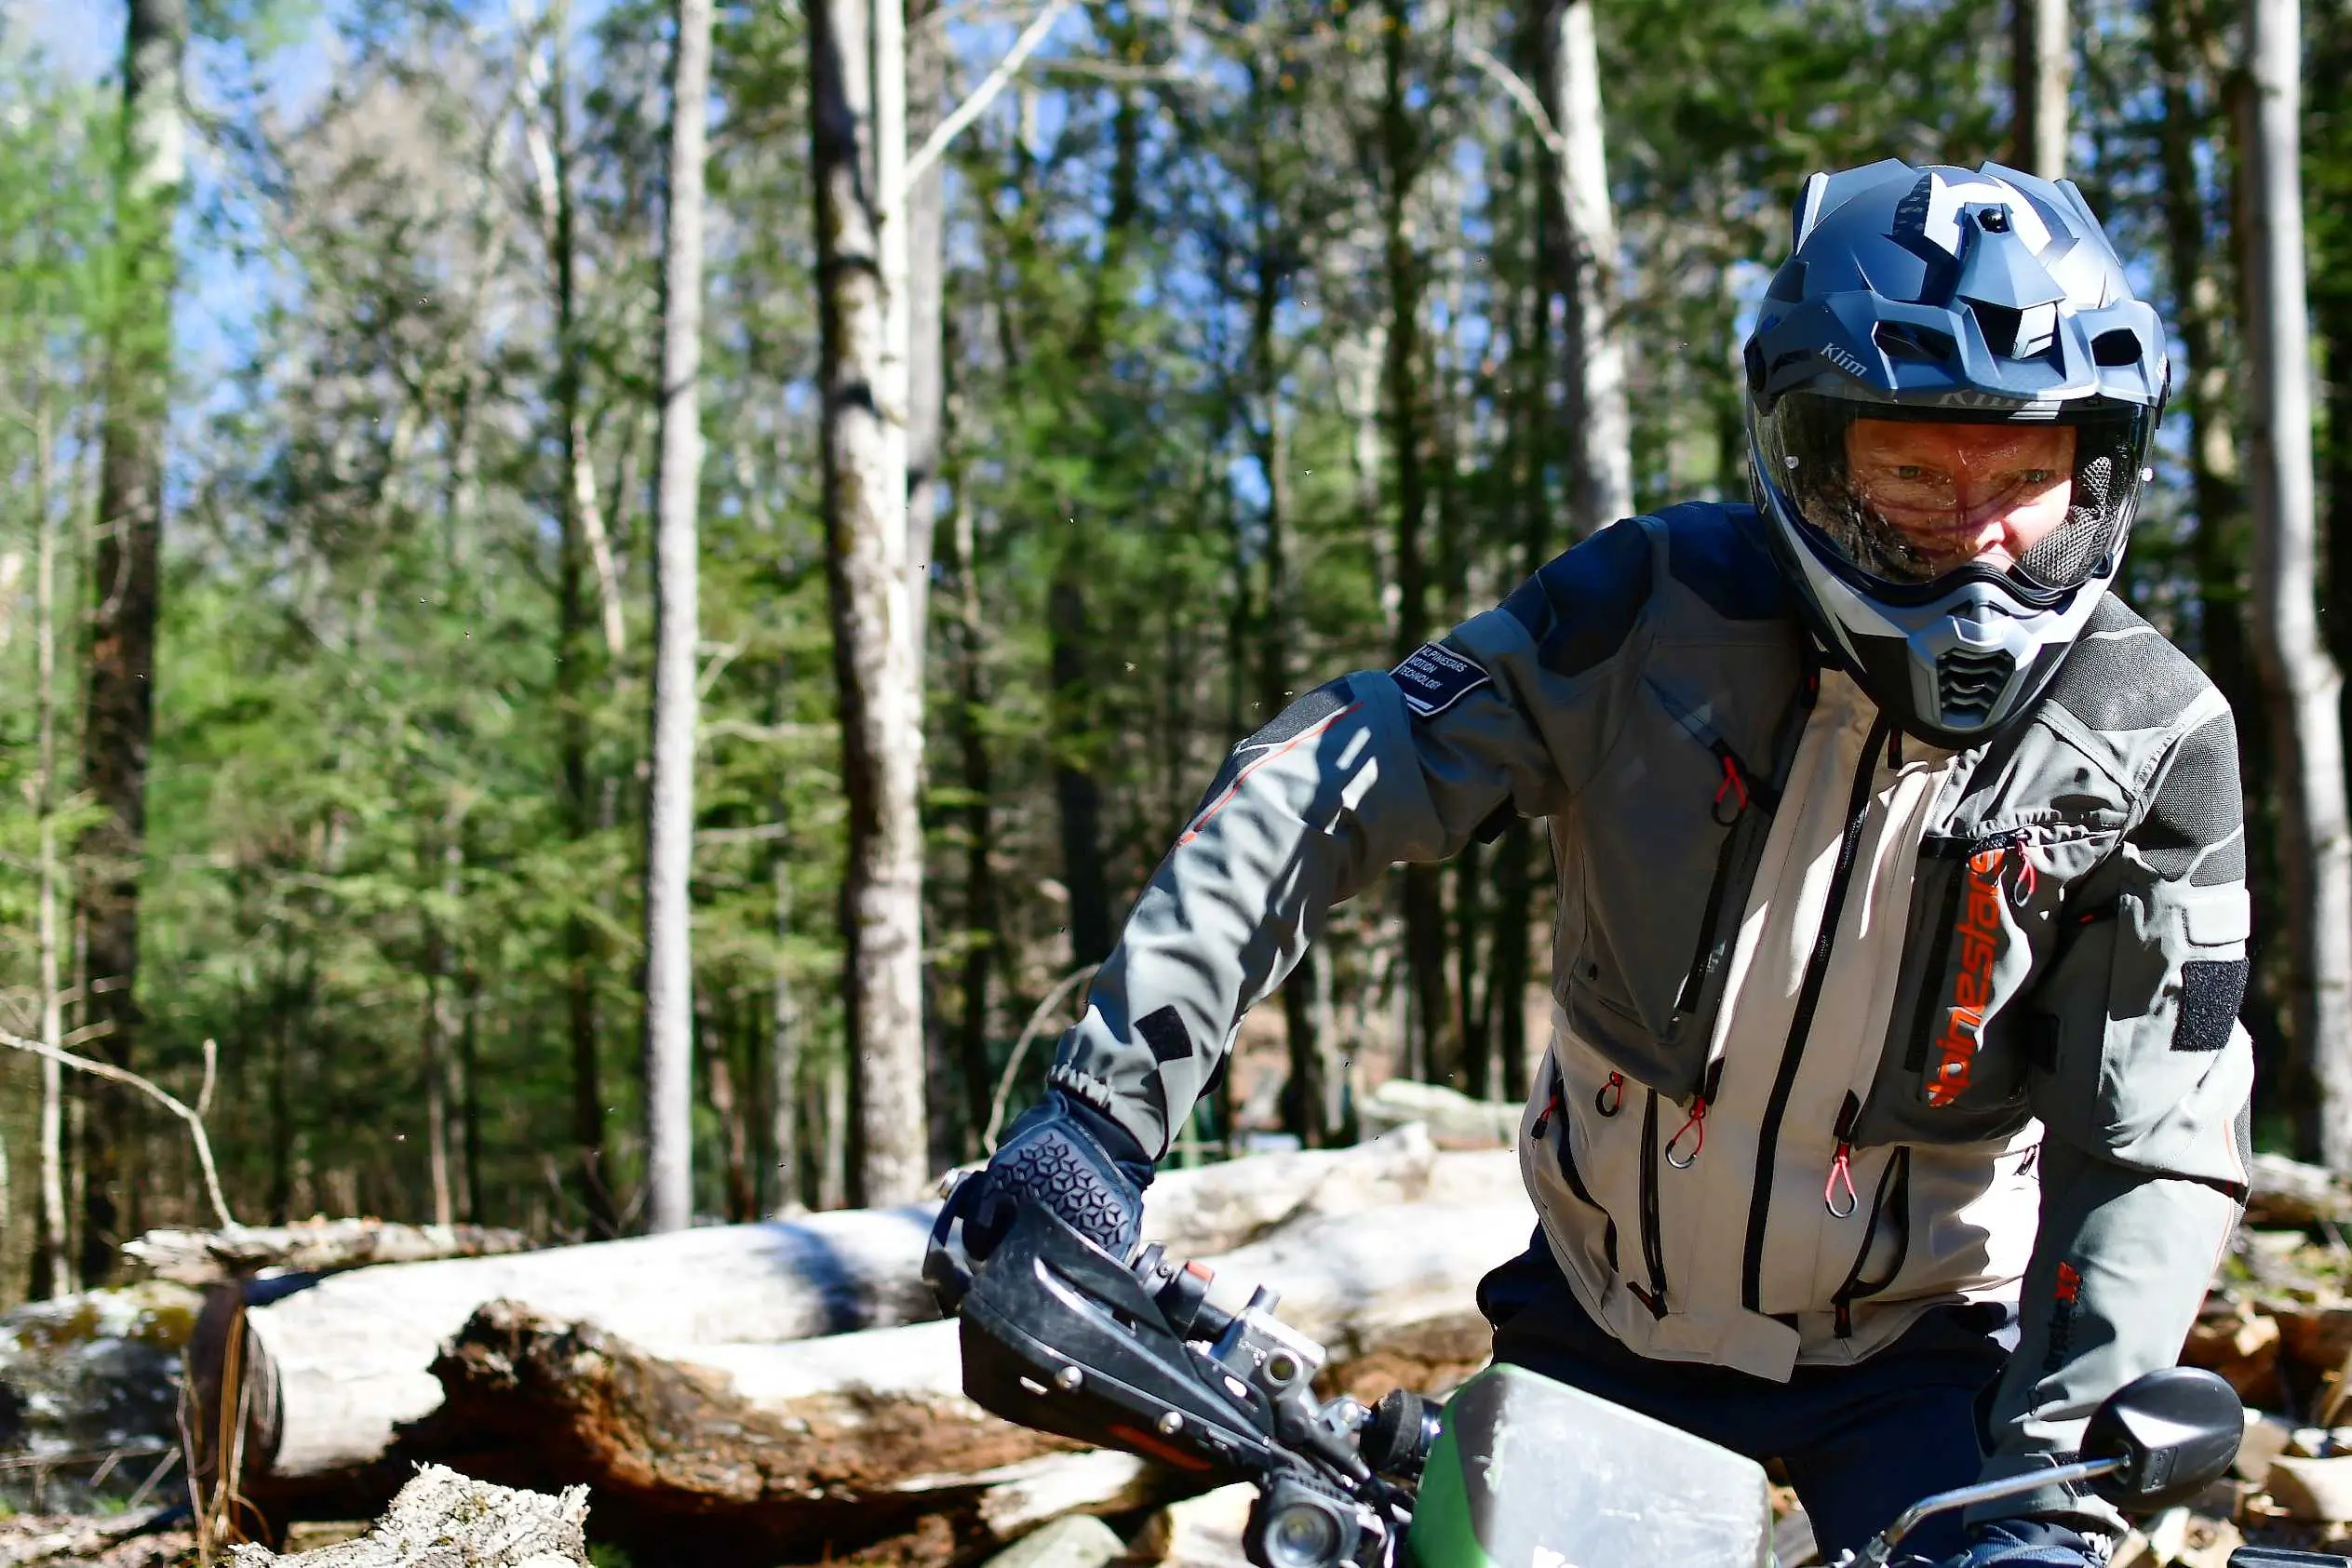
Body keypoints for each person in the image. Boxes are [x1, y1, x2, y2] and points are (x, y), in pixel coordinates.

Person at [955, 159, 2251, 1568]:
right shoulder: (1649, 608)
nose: (1981, 536)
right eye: (1913, 475)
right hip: (1596, 1327)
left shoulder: (2152, 737)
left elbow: (2153, 1139)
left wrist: (2057, 1465)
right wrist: (1095, 1120)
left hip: (1929, 1364)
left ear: (2099, 465)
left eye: (2027, 477)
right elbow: (1329, 784)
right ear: (1809, 456)